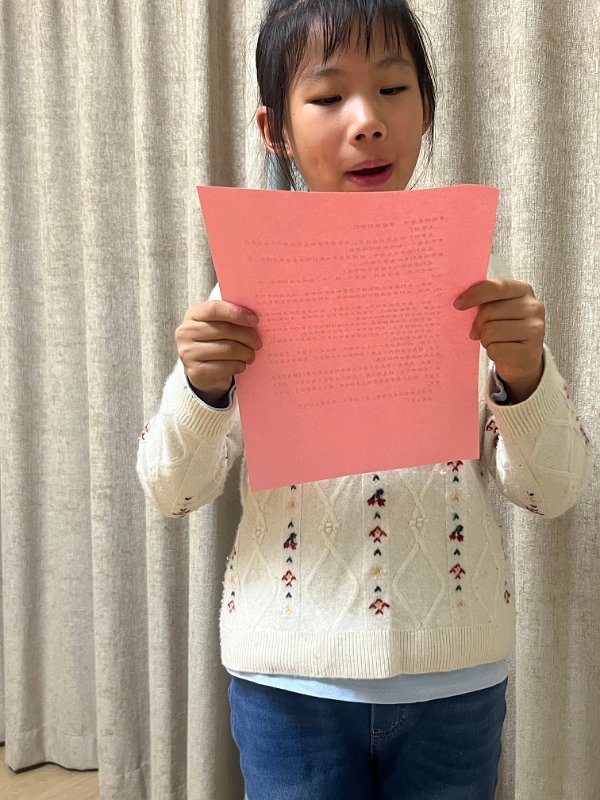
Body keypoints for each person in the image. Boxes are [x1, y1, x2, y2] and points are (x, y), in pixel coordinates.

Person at [137, 1, 591, 797]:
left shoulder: (479, 296)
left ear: (427, 107)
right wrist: (202, 388)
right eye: (326, 96)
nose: (367, 121)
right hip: (289, 682)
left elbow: (553, 491)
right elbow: (170, 490)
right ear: (274, 129)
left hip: (456, 676)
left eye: (392, 89)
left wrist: (525, 377)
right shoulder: (242, 298)